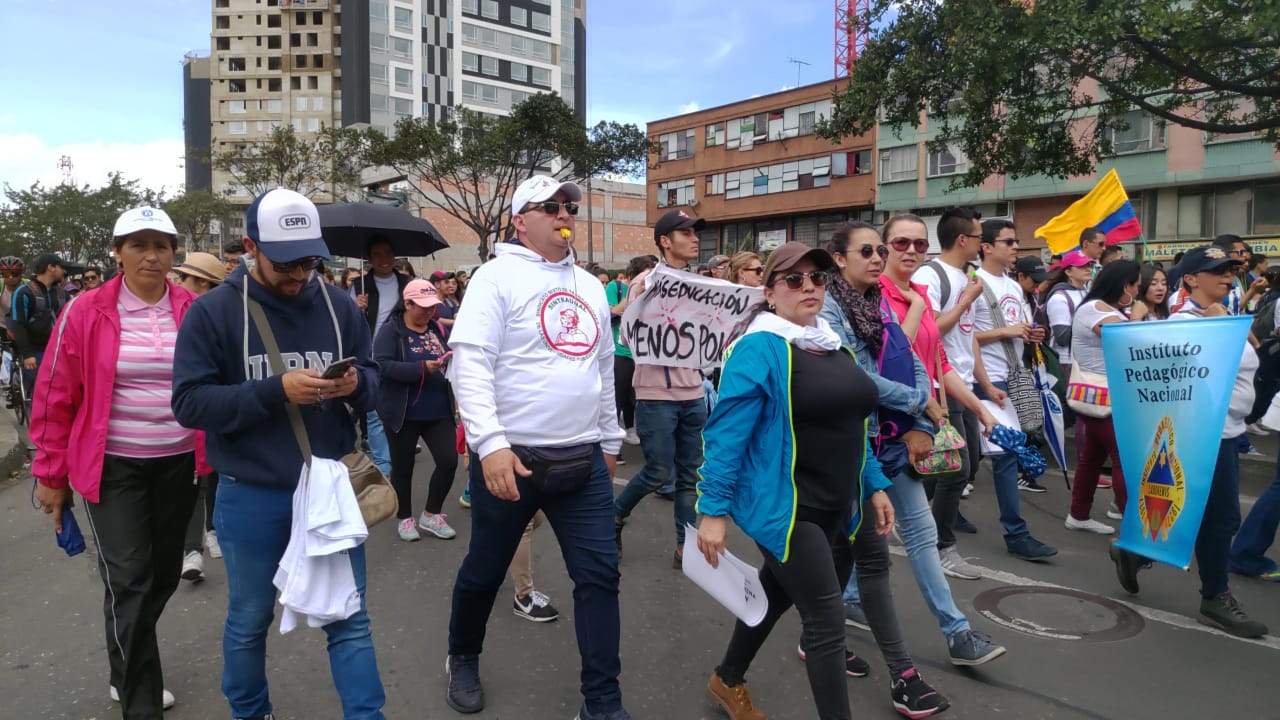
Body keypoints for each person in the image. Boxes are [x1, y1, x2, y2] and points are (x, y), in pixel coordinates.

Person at [172, 188, 387, 719]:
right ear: (250, 247)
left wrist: (355, 384)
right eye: (286, 263)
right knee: (249, 619)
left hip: (329, 489)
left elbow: (377, 383)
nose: (299, 275)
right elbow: (189, 403)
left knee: (349, 619)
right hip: (253, 494)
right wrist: (275, 391)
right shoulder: (214, 313)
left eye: (309, 261)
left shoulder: (339, 306)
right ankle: (250, 711)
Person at [697, 242, 915, 720]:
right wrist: (712, 512)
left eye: (817, 279)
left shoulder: (831, 346)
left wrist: (875, 484)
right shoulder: (759, 348)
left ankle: (726, 679)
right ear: (770, 292)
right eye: (794, 280)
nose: (809, 288)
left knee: (774, 597)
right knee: (825, 620)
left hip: (839, 504)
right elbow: (725, 437)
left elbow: (852, 429)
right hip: (787, 508)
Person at [445, 175, 627, 719]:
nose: (563, 213)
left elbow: (601, 366)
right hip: (512, 461)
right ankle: (462, 656)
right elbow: (470, 364)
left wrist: (611, 437)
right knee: (485, 568)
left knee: (600, 577)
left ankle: (602, 703)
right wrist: (491, 444)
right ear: (520, 220)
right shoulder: (495, 277)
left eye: (569, 205)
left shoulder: (592, 286)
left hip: (583, 459)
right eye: (550, 206)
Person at [32, 206, 198, 717]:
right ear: (117, 251)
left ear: (174, 252)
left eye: (162, 245)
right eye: (138, 244)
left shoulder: (192, 308)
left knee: (162, 575)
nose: (152, 256)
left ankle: (122, 664)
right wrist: (50, 475)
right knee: (130, 578)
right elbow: (55, 394)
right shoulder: (86, 310)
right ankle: (139, 701)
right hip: (112, 465)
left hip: (181, 461)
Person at [822, 223, 1006, 669]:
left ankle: (956, 632)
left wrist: (924, 417)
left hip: (892, 439)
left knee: (911, 536)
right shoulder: (830, 308)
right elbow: (853, 375)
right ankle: (824, 634)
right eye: (885, 246)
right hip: (850, 442)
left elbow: (920, 361)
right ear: (840, 258)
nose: (892, 253)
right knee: (843, 548)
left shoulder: (884, 303)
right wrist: (917, 404)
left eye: (912, 244)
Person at [1110, 245, 1268, 639]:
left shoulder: (1221, 316)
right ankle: (1215, 596)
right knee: (1221, 518)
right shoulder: (1183, 325)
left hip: (1230, 432)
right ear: (1191, 278)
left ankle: (1132, 550)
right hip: (1203, 437)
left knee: (1201, 516)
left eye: (1231, 269)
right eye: (1217, 270)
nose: (1228, 275)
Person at [613, 209, 709, 569]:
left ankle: (686, 547)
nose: (694, 238)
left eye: (695, 232)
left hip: (694, 393)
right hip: (655, 395)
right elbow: (628, 335)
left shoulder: (704, 287)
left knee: (689, 475)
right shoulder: (645, 283)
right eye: (686, 233)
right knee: (657, 472)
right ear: (666, 242)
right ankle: (615, 515)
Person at [907, 209, 997, 576]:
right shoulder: (932, 275)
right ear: (963, 240)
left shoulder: (967, 276)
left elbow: (967, 338)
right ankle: (941, 545)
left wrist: (984, 386)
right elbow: (928, 332)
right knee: (956, 469)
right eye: (979, 238)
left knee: (967, 464)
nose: (983, 244)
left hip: (960, 382)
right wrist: (966, 301)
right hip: (938, 387)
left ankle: (913, 515)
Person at [969, 219, 1058, 560]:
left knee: (969, 459)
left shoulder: (1012, 286)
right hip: (985, 380)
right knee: (1006, 455)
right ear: (986, 247)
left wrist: (1032, 335)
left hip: (1011, 377)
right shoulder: (974, 283)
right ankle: (1016, 533)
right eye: (1008, 242)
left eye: (1016, 242)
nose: (1015, 248)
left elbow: (1017, 329)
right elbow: (966, 337)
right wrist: (1007, 334)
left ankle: (943, 513)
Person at [374, 278, 459, 542]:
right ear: (407, 303)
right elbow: (381, 366)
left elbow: (445, 356)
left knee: (448, 461)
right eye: (422, 306)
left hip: (438, 410)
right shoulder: (391, 331)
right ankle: (405, 518)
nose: (429, 312)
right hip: (403, 412)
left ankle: (431, 514)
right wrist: (420, 368)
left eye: (432, 306)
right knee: (403, 467)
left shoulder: (435, 327)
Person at [1065, 261, 1141, 535]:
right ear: (1125, 286)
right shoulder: (1094, 309)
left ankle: (1079, 513)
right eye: (1137, 285)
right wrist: (1138, 315)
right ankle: (1134, 525)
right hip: (1106, 398)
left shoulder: (1105, 309)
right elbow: (1126, 342)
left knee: (1092, 459)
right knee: (1124, 459)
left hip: (1100, 397)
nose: (1139, 290)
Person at [172, 252, 229, 583]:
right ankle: (191, 550)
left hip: (215, 415)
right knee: (192, 482)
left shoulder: (223, 317)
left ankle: (213, 530)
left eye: (186, 279)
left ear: (203, 283)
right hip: (184, 417)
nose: (178, 284)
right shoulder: (172, 312)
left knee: (214, 479)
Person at [351, 235, 408, 477]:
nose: (384, 260)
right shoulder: (360, 286)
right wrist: (357, 307)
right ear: (369, 259)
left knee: (400, 408)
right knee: (374, 412)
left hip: (399, 353)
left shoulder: (408, 283)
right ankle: (384, 465)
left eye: (388, 254)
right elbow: (346, 320)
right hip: (370, 354)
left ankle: (400, 455)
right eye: (377, 255)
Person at [607, 255, 657, 447]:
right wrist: (633, 295)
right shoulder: (616, 287)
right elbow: (611, 312)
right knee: (617, 397)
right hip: (619, 351)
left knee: (632, 396)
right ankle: (612, 443)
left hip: (640, 354)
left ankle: (630, 429)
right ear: (633, 275)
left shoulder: (651, 291)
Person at [10, 252, 67, 392]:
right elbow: (18, 325)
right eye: (61, 267)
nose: (64, 271)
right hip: (35, 351)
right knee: (39, 391)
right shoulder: (23, 292)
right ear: (51, 267)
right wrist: (27, 354)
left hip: (57, 351)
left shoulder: (60, 293)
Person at [1038, 250, 1092, 367]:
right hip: (1066, 363)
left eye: (1089, 265)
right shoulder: (1059, 297)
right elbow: (1062, 337)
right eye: (1082, 266)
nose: (1088, 269)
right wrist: (1091, 324)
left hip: (1086, 361)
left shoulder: (1087, 293)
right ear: (1068, 271)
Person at [0, 255, 25, 319]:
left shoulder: (29, 285)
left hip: (22, 325)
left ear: (21, 273)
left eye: (15, 273)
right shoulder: (1, 284)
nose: (11, 277)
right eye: (6, 274)